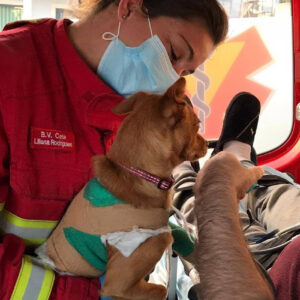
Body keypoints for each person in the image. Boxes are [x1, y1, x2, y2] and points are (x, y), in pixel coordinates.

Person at [0, 0, 229, 299]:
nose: (170, 79)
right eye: (173, 54)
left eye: (185, 71)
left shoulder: (147, 110)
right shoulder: (11, 73)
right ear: (130, 7)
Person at [172, 92, 300, 299]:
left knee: (206, 212)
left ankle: (180, 170)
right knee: (282, 195)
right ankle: (239, 159)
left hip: (260, 276)